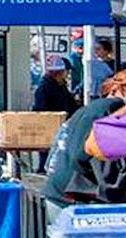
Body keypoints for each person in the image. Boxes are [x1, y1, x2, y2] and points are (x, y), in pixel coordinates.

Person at [41, 70, 126, 225]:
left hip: (58, 190)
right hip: (72, 198)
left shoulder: (90, 108)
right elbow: (84, 155)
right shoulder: (111, 109)